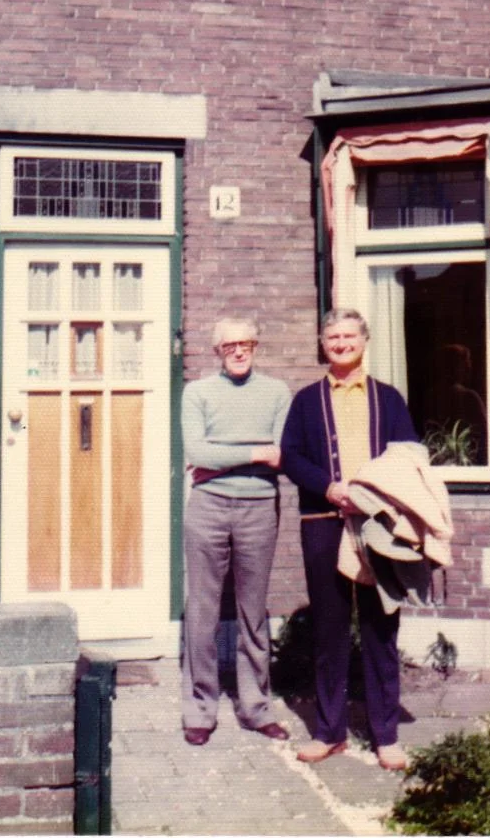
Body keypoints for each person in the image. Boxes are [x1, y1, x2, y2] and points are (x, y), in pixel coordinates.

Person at [280, 308, 418, 771]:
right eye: (333, 337)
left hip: (379, 524)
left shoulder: (388, 398)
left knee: (381, 626)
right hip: (324, 519)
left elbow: (408, 454)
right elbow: (291, 457)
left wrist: (375, 494)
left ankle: (386, 737)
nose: (341, 344)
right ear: (323, 345)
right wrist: (329, 487)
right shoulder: (306, 401)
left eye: (349, 336)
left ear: (365, 340)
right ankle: (329, 732)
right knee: (329, 629)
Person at [180, 316, 293, 746]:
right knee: (202, 610)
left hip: (259, 507)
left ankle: (255, 707)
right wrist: (255, 452)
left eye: (246, 344)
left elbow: (281, 455)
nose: (239, 351)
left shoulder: (277, 392)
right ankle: (200, 709)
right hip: (208, 506)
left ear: (256, 347)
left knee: (252, 611)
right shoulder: (198, 393)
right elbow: (196, 451)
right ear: (217, 352)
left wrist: (221, 458)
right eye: (230, 346)